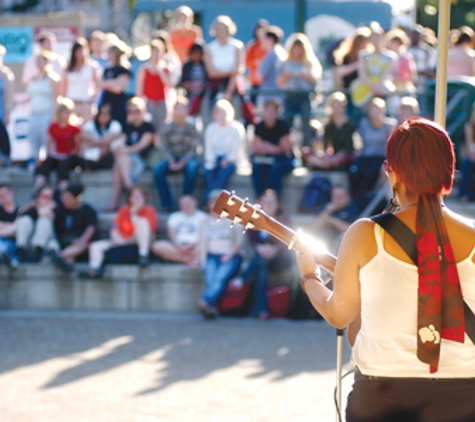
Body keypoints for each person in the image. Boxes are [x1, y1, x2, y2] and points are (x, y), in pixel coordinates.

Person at [296, 118, 475, 421]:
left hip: (382, 397)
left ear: (393, 175)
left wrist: (309, 277)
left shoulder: (365, 233)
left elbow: (340, 314)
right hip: (464, 397)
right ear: (449, 171)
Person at [229, 189, 293, 320]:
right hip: (261, 258)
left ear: (277, 205)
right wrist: (260, 249)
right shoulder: (253, 220)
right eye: (266, 203)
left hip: (280, 258)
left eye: (272, 203)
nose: (269, 206)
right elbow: (252, 241)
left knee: (261, 261)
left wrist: (274, 249)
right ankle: (262, 311)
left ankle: (242, 278)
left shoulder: (284, 220)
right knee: (262, 271)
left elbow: (288, 240)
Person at [79, 185, 157, 278]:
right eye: (133, 196)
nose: (136, 199)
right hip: (122, 242)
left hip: (139, 243)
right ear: (129, 198)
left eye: (139, 196)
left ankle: (143, 255)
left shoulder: (150, 211)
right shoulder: (123, 211)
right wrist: (120, 240)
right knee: (95, 246)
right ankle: (94, 269)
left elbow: (149, 230)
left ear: (144, 198)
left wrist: (134, 214)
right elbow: (114, 228)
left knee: (142, 222)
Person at [196, 189, 243, 319]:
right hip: (211, 255)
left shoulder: (233, 221)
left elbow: (239, 242)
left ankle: (204, 301)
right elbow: (201, 243)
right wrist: (200, 258)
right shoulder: (204, 222)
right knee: (211, 279)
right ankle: (211, 307)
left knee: (219, 278)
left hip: (229, 255)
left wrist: (229, 255)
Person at [104, 96, 156, 211]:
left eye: (137, 111)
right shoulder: (127, 127)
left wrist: (124, 150)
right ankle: (129, 187)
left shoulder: (148, 127)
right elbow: (121, 142)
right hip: (128, 162)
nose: (134, 115)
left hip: (143, 160)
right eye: (131, 112)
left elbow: (141, 146)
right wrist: (119, 148)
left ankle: (125, 192)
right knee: (118, 163)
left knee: (120, 159)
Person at [152, 97, 201, 211]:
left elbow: (194, 148)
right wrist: (171, 160)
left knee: (192, 168)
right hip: (172, 158)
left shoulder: (193, 126)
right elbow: (163, 147)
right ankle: (166, 203)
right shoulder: (167, 126)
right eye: (177, 109)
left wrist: (183, 162)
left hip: (188, 159)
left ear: (186, 110)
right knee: (157, 169)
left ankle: (184, 200)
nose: (179, 112)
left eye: (182, 109)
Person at [349, 97, 397, 205]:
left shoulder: (389, 125)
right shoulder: (363, 123)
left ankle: (365, 195)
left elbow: (392, 143)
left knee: (371, 171)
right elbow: (357, 138)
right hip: (365, 156)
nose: (375, 113)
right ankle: (354, 196)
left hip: (380, 156)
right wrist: (357, 148)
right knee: (354, 171)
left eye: (378, 110)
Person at [277, 32, 322, 147]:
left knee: (306, 125)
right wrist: (287, 75)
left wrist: (306, 76)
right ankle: (286, 148)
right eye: (295, 49)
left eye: (300, 49)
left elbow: (315, 83)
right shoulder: (285, 63)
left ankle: (307, 148)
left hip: (304, 96)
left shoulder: (310, 63)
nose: (297, 52)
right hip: (289, 96)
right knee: (286, 124)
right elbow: (279, 82)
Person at [34, 97, 82, 192]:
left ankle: (64, 190)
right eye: (63, 112)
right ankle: (37, 188)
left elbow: (77, 147)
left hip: (69, 157)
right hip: (56, 155)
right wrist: (53, 153)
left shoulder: (74, 129)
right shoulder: (53, 127)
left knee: (63, 165)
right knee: (45, 163)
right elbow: (49, 145)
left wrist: (67, 154)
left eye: (66, 112)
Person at [49, 184, 98, 274]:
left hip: (81, 244)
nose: (65, 201)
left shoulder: (88, 210)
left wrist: (82, 240)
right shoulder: (61, 210)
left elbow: (91, 228)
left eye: (68, 198)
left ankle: (59, 256)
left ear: (77, 198)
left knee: (81, 246)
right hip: (65, 242)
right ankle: (65, 263)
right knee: (69, 257)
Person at [251, 99, 294, 198]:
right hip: (265, 159)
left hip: (282, 159)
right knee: (256, 167)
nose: (269, 113)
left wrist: (269, 147)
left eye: (272, 110)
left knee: (275, 168)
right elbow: (256, 147)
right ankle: (260, 198)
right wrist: (266, 148)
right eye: (267, 110)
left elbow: (285, 149)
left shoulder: (283, 126)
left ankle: (275, 199)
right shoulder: (259, 126)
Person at [203, 99, 245, 200]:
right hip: (215, 159)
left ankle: (210, 199)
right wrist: (211, 160)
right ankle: (214, 198)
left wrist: (228, 159)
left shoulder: (236, 128)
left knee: (223, 173)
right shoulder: (211, 128)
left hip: (231, 161)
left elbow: (237, 150)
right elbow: (208, 149)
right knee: (208, 172)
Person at [303, 91, 356, 171]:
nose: (336, 109)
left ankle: (327, 164)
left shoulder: (350, 125)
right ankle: (324, 165)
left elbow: (349, 148)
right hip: (331, 157)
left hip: (343, 157)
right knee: (307, 153)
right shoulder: (328, 125)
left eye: (338, 106)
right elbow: (325, 146)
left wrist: (335, 158)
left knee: (345, 156)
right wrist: (326, 157)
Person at [26, 51, 60, 168]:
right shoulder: (33, 78)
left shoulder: (52, 79)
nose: (39, 63)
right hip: (34, 114)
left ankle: (48, 165)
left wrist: (53, 116)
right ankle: (34, 165)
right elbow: (30, 97)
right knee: (33, 139)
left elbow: (56, 98)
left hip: (46, 113)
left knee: (46, 140)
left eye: (42, 60)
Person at [151, 194, 206, 267]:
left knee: (206, 248)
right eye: (181, 204)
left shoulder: (203, 217)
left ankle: (187, 259)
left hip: (195, 246)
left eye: (187, 203)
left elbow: (204, 235)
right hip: (178, 246)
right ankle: (189, 260)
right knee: (157, 246)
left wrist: (190, 246)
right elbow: (171, 232)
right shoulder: (174, 216)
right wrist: (178, 245)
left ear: (194, 203)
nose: (184, 206)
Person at [350, 23, 396, 109]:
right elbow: (362, 74)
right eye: (373, 38)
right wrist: (371, 86)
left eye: (378, 38)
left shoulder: (390, 57)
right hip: (367, 84)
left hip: (381, 84)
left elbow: (385, 75)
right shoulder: (363, 55)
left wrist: (377, 86)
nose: (375, 41)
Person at [135, 39, 173, 136]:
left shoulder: (166, 69)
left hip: (162, 103)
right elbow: (139, 90)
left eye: (158, 51)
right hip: (149, 103)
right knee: (149, 129)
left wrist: (160, 72)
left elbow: (169, 85)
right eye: (154, 51)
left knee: (163, 128)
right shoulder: (144, 69)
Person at [203, 15, 245, 102]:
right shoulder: (209, 48)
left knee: (243, 104)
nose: (221, 32)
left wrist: (228, 92)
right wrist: (231, 72)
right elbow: (212, 73)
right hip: (215, 85)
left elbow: (238, 71)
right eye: (219, 29)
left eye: (223, 29)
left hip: (234, 84)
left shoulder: (237, 46)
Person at [15, 185, 58, 262]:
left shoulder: (56, 209)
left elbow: (43, 214)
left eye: (50, 197)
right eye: (44, 196)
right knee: (25, 220)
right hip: (29, 241)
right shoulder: (31, 209)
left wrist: (48, 208)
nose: (47, 199)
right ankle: (21, 250)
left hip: (48, 242)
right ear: (38, 197)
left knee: (44, 221)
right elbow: (19, 218)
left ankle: (38, 252)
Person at [311, 184, 359, 253]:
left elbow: (351, 230)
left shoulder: (352, 210)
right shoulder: (326, 208)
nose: (338, 199)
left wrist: (333, 221)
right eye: (335, 196)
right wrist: (327, 212)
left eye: (341, 196)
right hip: (322, 244)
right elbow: (313, 227)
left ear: (347, 197)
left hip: (342, 247)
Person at [62, 37, 99, 123]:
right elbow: (63, 86)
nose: (80, 53)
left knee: (87, 129)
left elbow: (96, 85)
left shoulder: (92, 67)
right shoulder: (68, 68)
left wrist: (93, 100)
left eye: (82, 50)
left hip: (86, 103)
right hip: (71, 103)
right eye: (77, 51)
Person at [97, 41, 132, 127]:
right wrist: (114, 82)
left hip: (118, 104)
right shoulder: (107, 70)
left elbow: (118, 88)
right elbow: (100, 84)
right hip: (106, 103)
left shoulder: (123, 70)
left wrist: (108, 84)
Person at [79, 103, 123, 170]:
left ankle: (94, 163)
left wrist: (95, 142)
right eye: (101, 114)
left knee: (107, 145)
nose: (103, 117)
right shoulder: (91, 124)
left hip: (107, 158)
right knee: (83, 142)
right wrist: (97, 141)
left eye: (106, 114)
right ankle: (84, 162)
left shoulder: (115, 125)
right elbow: (83, 135)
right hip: (90, 155)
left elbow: (108, 140)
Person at [257, 25, 286, 107]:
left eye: (263, 39)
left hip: (269, 97)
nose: (261, 42)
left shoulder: (271, 55)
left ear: (271, 40)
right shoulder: (281, 52)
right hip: (279, 96)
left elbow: (259, 76)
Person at [245, 19, 269, 103]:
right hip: (255, 81)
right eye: (259, 30)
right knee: (253, 103)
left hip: (267, 81)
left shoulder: (269, 45)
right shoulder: (252, 46)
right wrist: (256, 62)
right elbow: (247, 61)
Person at [0, 44, 14, 166]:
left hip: (1, 112)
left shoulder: (5, 74)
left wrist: (8, 113)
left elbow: (9, 96)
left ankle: (6, 158)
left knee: (3, 136)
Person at [0, 184, 20, 267]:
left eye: (4, 195)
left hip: (14, 243)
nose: (2, 198)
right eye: (0, 196)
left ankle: (9, 257)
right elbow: (15, 227)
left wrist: (3, 227)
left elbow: (18, 229)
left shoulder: (20, 211)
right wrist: (12, 226)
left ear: (11, 193)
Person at [460, 103, 475, 202]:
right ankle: (465, 194)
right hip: (473, 155)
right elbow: (470, 147)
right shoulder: (469, 126)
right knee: (467, 163)